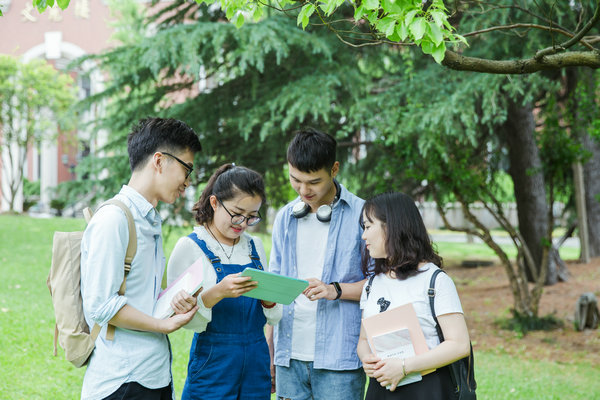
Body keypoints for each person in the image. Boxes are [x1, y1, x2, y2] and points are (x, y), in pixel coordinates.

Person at [80, 117, 203, 400]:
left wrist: (171, 302)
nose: (187, 181)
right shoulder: (114, 219)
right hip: (123, 381)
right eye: (187, 169)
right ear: (159, 161)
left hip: (153, 374)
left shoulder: (148, 219)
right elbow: (101, 305)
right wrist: (162, 325)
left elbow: (138, 295)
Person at [167, 163, 282, 400]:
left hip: (256, 358)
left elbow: (274, 316)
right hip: (214, 359)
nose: (242, 223)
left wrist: (270, 300)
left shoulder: (254, 246)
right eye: (237, 214)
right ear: (214, 203)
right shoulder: (190, 247)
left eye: (251, 217)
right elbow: (175, 318)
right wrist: (216, 293)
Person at [269, 128, 366, 400]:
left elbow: (382, 286)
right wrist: (271, 352)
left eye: (313, 182)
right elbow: (274, 290)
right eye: (295, 180)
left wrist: (335, 289)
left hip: (340, 360)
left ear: (334, 169)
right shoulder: (284, 217)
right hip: (289, 357)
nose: (303, 190)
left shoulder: (364, 215)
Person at [357, 192, 471, 400]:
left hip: (427, 390)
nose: (363, 235)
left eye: (368, 226)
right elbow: (364, 340)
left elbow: (459, 344)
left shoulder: (435, 281)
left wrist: (403, 367)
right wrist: (368, 359)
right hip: (381, 390)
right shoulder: (372, 285)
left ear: (391, 226)